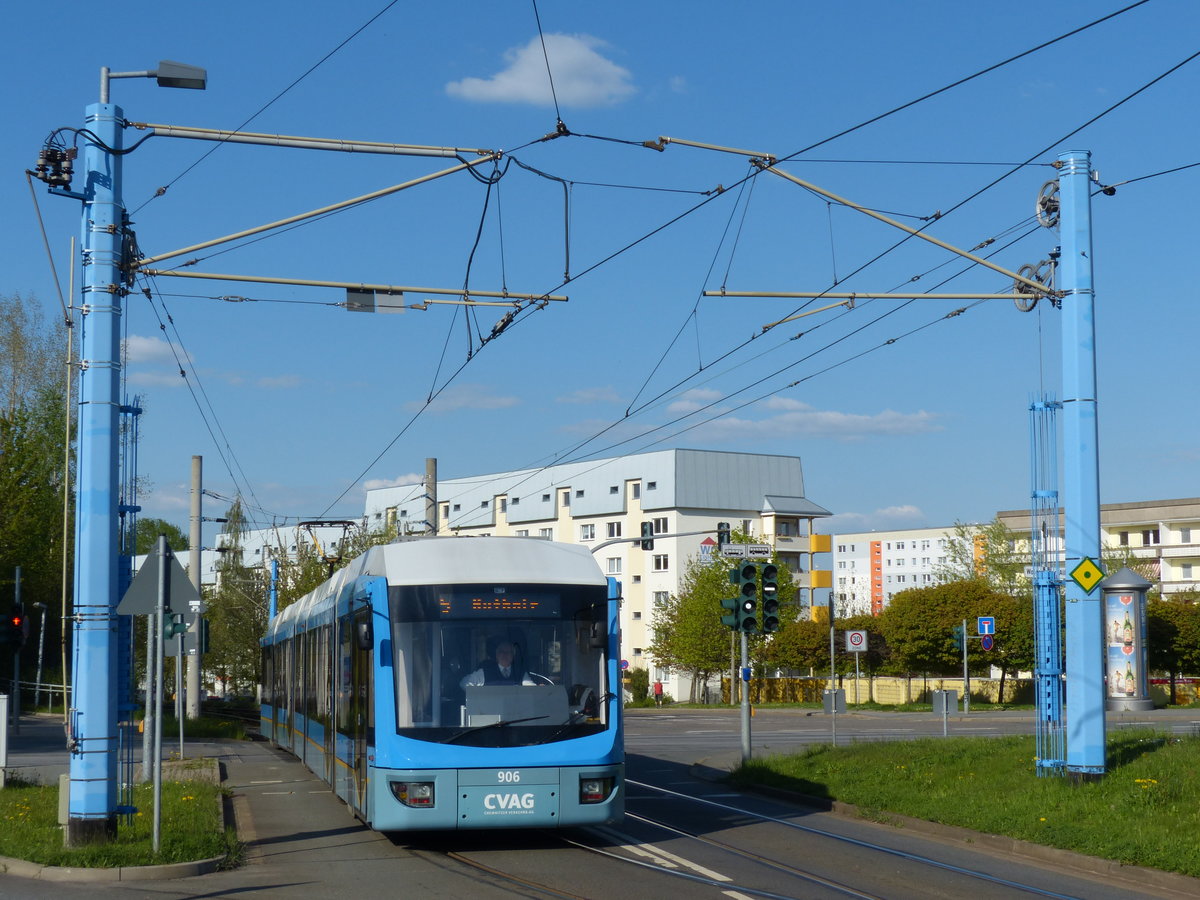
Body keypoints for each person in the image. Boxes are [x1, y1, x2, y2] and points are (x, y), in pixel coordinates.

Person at [460, 641, 536, 688]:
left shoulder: (520, 673)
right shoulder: (485, 672)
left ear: (513, 655)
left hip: (515, 712)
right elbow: (464, 683)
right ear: (496, 655)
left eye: (508, 652)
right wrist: (480, 695)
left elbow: (531, 690)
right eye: (501, 652)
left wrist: (539, 689)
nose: (504, 655)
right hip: (489, 713)